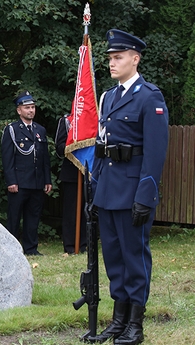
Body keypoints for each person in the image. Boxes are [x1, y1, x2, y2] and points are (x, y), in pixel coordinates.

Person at [89, 29, 168, 345]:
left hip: (133, 190)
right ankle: (118, 321)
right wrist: (94, 189)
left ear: (135, 59)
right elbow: (101, 146)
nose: (112, 62)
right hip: (108, 190)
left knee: (134, 257)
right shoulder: (108, 96)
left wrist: (145, 195)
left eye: (118, 57)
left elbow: (155, 152)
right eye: (110, 57)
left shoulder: (150, 97)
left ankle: (135, 323)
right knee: (114, 257)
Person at [1, 91, 52, 256]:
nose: (31, 110)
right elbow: (7, 158)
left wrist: (47, 179)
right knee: (14, 217)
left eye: (32, 107)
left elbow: (44, 158)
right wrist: (11, 181)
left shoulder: (40, 130)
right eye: (27, 107)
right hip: (19, 181)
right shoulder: (12, 130)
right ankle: (12, 249)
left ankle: (31, 248)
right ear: (19, 110)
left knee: (33, 216)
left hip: (36, 181)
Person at [55, 113, 87, 254]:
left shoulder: (93, 120)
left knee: (88, 211)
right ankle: (70, 246)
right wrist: (74, 144)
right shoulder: (67, 121)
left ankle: (84, 245)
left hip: (88, 171)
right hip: (71, 173)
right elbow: (59, 148)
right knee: (71, 212)